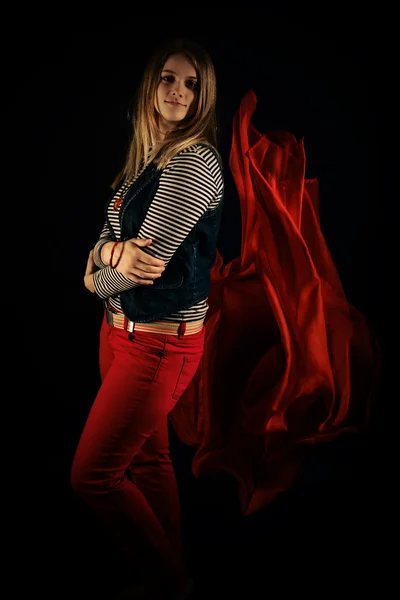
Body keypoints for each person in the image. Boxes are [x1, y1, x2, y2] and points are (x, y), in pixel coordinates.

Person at [70, 37, 224, 600]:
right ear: (150, 86)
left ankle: (170, 580)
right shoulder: (145, 159)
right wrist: (108, 255)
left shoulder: (193, 163)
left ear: (204, 95)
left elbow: (144, 266)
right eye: (167, 78)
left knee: (93, 476)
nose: (178, 91)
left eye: (190, 83)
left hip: (158, 346)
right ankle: (169, 576)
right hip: (116, 334)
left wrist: (93, 273)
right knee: (151, 459)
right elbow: (116, 246)